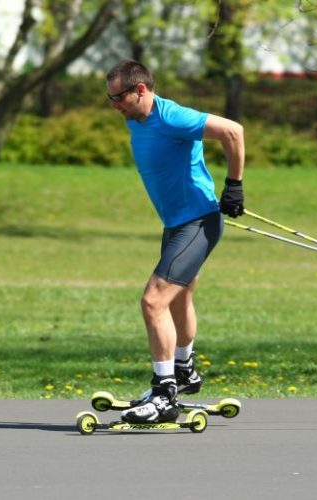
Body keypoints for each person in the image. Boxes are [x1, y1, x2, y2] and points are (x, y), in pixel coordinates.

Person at [106, 60, 245, 423]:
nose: (114, 106)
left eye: (118, 98)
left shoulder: (171, 117)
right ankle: (183, 370)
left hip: (197, 223)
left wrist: (234, 186)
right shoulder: (137, 119)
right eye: (109, 99)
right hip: (178, 225)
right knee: (179, 297)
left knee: (153, 301)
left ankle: (164, 392)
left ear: (140, 90)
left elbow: (233, 131)